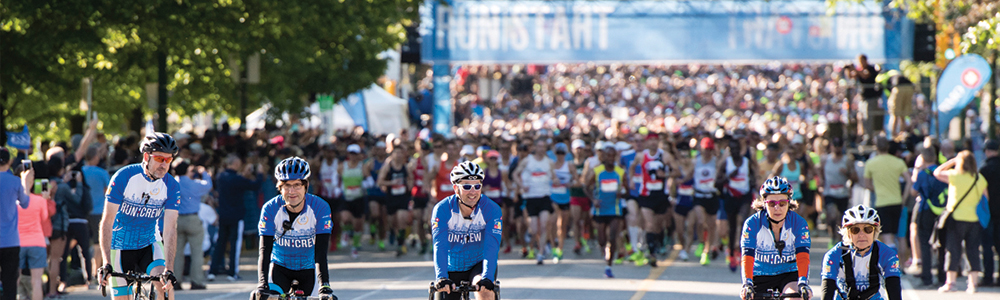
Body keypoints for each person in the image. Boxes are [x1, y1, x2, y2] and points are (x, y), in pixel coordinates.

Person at [97, 133, 181, 300]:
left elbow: (170, 228)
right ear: (146, 156)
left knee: (165, 288)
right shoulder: (124, 177)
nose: (163, 165)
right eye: (159, 158)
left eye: (168, 160)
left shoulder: (171, 185)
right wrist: (106, 263)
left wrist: (169, 270)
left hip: (148, 243)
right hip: (119, 246)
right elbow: (107, 222)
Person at [254, 157, 336, 300]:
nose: (292, 191)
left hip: (309, 269)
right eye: (287, 186)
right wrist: (262, 284)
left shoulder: (320, 207)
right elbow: (264, 251)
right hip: (279, 268)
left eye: (297, 185)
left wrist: (325, 286)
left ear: (306, 186)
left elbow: (321, 252)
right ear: (280, 187)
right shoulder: (270, 209)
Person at [431, 161, 501, 300]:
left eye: (477, 186)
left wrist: (487, 277)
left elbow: (491, 247)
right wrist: (442, 277)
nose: (473, 191)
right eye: (467, 186)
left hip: (478, 264)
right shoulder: (442, 209)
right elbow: (440, 245)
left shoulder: (491, 209)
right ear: (456, 188)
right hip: (451, 266)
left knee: (484, 291)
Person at [739, 176, 811, 300]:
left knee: (794, 297)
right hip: (760, 274)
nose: (777, 208)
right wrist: (747, 283)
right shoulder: (752, 224)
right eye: (772, 204)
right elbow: (747, 257)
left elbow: (803, 256)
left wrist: (803, 283)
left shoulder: (799, 223)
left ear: (789, 203)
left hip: (789, 273)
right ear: (764, 203)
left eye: (782, 203)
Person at [932, 150, 988, 293]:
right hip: (974, 220)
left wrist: (952, 161)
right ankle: (973, 284)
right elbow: (985, 198)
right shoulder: (979, 178)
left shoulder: (955, 176)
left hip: (956, 219)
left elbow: (937, 173)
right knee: (973, 251)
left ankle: (951, 283)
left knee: (953, 250)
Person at [820, 205, 902, 300]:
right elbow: (827, 289)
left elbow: (894, 289)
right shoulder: (833, 255)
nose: (862, 235)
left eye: (868, 229)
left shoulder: (888, 254)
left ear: (875, 232)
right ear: (848, 233)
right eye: (855, 230)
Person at [209, 154, 263, 281]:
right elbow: (255, 185)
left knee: (220, 243)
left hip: (223, 214)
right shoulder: (237, 179)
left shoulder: (221, 177)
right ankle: (232, 272)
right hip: (236, 215)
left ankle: (213, 270)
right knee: (235, 244)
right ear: (236, 164)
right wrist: (259, 173)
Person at [584, 142, 626, 278]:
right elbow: (586, 187)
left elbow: (629, 190)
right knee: (602, 239)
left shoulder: (620, 172)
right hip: (600, 209)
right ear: (603, 156)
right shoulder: (597, 171)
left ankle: (609, 265)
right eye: (608, 155)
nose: (610, 158)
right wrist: (593, 199)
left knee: (613, 236)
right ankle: (604, 250)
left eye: (613, 156)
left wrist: (622, 194)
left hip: (615, 209)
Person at [513, 139, 557, 265]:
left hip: (544, 197)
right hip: (531, 197)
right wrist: (522, 185)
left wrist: (556, 180)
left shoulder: (549, 162)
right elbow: (515, 174)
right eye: (539, 146)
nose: (541, 149)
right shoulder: (527, 160)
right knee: (533, 229)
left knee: (544, 224)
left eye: (544, 147)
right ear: (535, 148)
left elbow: (553, 176)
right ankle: (537, 244)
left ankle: (541, 253)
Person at [910, 144, 948, 287]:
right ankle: (942, 276)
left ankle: (927, 277)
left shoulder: (922, 174)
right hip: (942, 211)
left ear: (923, 159)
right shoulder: (943, 173)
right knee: (942, 244)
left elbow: (914, 192)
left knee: (925, 243)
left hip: (926, 210)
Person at [862, 136, 910, 252]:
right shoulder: (898, 162)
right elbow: (909, 181)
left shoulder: (870, 163)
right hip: (897, 202)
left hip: (882, 203)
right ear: (888, 147)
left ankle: (892, 264)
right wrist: (904, 198)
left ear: (876, 147)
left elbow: (867, 185)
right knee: (899, 236)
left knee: (887, 237)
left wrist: (878, 188)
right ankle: (901, 264)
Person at [173, 162, 212, 290]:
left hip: (177, 219)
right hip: (193, 218)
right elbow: (208, 186)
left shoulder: (173, 184)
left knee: (176, 252)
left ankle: (176, 280)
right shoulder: (194, 183)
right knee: (197, 252)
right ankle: (196, 281)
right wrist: (204, 172)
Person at [818, 139, 857, 247]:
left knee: (841, 218)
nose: (837, 148)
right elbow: (820, 171)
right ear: (831, 146)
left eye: (839, 146)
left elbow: (855, 178)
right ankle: (832, 236)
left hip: (842, 193)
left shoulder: (847, 160)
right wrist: (821, 181)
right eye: (835, 145)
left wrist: (847, 173)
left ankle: (840, 240)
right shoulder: (825, 159)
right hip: (829, 192)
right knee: (832, 214)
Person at [377, 145, 413, 256]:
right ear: (392, 155)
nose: (398, 155)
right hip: (391, 197)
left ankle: (400, 245)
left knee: (401, 219)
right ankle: (397, 236)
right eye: (396, 153)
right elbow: (379, 182)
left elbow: (410, 179)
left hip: (402, 197)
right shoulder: (388, 167)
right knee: (393, 222)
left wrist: (409, 187)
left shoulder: (406, 167)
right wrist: (391, 183)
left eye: (400, 153)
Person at [692, 137, 721, 266]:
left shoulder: (716, 162)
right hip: (699, 195)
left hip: (712, 195)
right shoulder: (696, 161)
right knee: (700, 221)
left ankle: (706, 250)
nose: (707, 152)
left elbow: (723, 166)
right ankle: (701, 242)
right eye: (705, 149)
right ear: (701, 149)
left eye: (709, 149)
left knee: (711, 225)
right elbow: (689, 174)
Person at [18, 178, 47, 300]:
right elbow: (44, 218)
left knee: (14, 279)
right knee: (36, 281)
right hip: (37, 242)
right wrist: (45, 199)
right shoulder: (40, 200)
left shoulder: (14, 202)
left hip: (18, 242)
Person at [338, 144, 369, 259]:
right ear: (348, 154)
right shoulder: (342, 166)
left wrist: (366, 184)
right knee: (345, 218)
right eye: (351, 153)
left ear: (359, 155)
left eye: (355, 154)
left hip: (359, 198)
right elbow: (337, 178)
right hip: (346, 198)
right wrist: (338, 187)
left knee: (358, 225)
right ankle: (345, 233)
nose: (353, 156)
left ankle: (355, 247)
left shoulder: (362, 166)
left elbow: (369, 179)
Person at [978, 139, 1000, 287]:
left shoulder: (984, 169)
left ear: (987, 151)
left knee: (987, 246)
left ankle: (988, 277)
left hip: (988, 212)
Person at [549, 143, 575, 263]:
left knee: (562, 226)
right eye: (558, 153)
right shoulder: (552, 165)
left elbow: (576, 179)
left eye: (562, 153)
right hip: (553, 197)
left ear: (565, 154)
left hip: (565, 198)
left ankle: (560, 248)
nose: (560, 156)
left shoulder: (569, 166)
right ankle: (554, 246)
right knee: (553, 223)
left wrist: (571, 183)